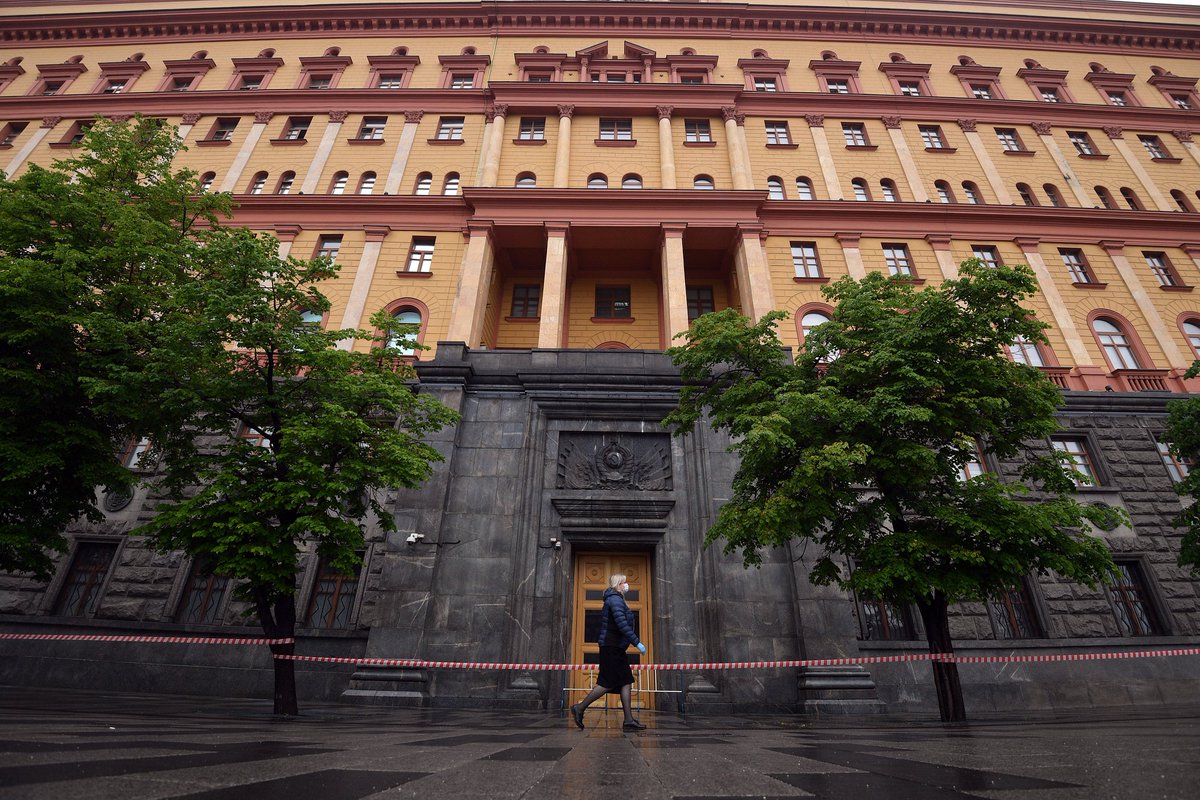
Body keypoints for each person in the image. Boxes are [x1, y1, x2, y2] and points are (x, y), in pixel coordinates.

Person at [570, 573, 647, 731]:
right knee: (606, 683)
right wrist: (637, 642)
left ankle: (628, 720)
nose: (626, 585)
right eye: (624, 582)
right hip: (611, 647)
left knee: (626, 680)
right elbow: (621, 624)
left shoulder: (616, 599)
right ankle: (580, 707)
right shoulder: (614, 599)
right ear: (618, 584)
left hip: (616, 647)